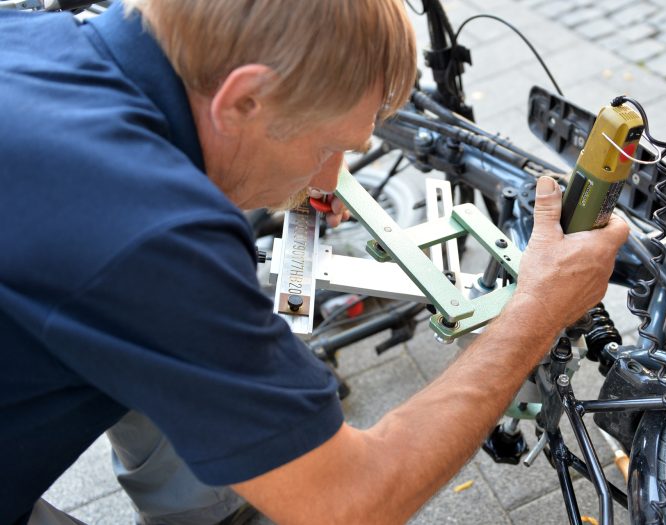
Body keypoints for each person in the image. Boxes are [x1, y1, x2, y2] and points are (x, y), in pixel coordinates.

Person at [0, 1, 629, 524]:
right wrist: (537, 310)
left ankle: (232, 495)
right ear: (244, 99)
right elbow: (350, 500)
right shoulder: (153, 232)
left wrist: (297, 152)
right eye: (330, 146)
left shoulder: (30, 38)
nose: (331, 178)